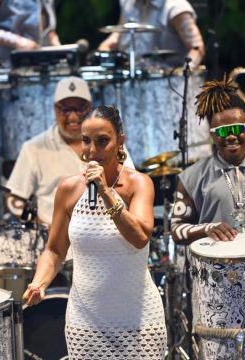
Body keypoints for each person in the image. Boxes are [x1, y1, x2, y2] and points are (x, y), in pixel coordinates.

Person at [23, 105, 167, 359]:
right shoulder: (69, 189)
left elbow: (140, 238)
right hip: (85, 321)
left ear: (120, 141)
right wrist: (39, 282)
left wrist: (106, 192)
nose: (92, 150)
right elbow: (55, 250)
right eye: (86, 141)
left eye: (102, 141)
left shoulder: (139, 183)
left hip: (139, 319)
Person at [5, 76, 134, 225]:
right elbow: (14, 198)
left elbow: (130, 186)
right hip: (54, 238)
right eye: (65, 109)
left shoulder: (111, 143)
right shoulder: (33, 148)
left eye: (80, 109)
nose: (73, 116)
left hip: (107, 233)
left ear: (90, 108)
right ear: (55, 109)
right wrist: (43, 228)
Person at [171, 75, 245, 243]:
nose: (231, 136)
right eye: (223, 131)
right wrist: (207, 228)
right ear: (212, 134)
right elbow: (176, 230)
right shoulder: (191, 177)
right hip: (217, 267)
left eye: (237, 128)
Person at [98, 0, 205, 69]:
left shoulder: (176, 7)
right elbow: (116, 36)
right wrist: (104, 51)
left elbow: (197, 47)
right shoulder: (128, 3)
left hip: (167, 85)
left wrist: (185, 71)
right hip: (130, 79)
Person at [0, 0, 61, 66]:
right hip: (4, 74)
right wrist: (17, 42)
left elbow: (49, 31)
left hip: (39, 72)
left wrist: (60, 50)